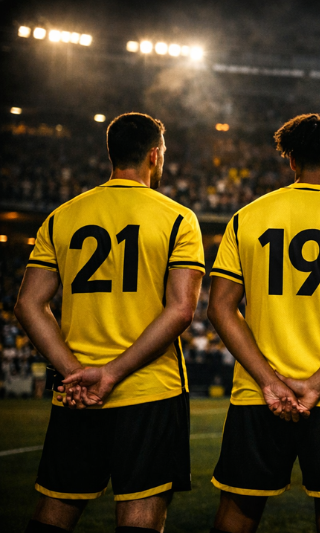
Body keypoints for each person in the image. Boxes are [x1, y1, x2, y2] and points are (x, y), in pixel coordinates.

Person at [15, 112, 205, 533]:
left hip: (76, 393)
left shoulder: (62, 216)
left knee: (54, 512)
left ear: (111, 154)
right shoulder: (177, 218)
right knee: (141, 517)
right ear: (154, 156)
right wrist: (112, 373)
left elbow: (28, 304)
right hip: (149, 390)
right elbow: (180, 310)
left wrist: (75, 373)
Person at [207, 114, 320, 533]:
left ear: (290, 160)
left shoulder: (246, 218)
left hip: (257, 394)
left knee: (238, 512)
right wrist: (315, 385)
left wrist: (270, 381)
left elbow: (220, 308)